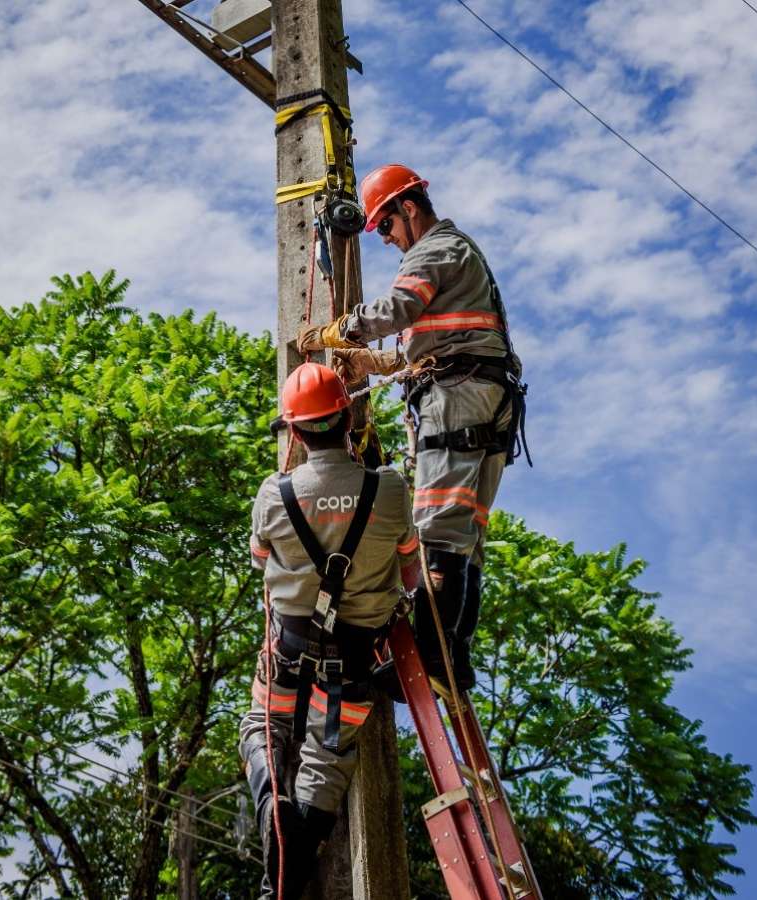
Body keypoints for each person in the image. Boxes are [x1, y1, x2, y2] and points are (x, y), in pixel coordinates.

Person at [297, 163, 528, 692]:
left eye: (384, 225)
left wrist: (339, 330)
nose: (383, 238)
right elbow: (424, 348)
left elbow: (400, 308)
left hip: (458, 401)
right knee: (464, 538)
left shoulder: (434, 250)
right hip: (483, 401)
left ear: (409, 206)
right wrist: (369, 363)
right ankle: (455, 663)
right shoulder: (460, 259)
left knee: (438, 532)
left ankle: (430, 661)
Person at [239, 362, 420, 900]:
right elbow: (410, 571)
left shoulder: (274, 494)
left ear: (293, 432)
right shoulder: (388, 490)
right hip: (357, 658)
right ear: (348, 418)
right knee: (327, 753)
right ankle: (298, 844)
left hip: (288, 650)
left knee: (260, 727)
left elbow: (260, 561)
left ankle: (274, 803)